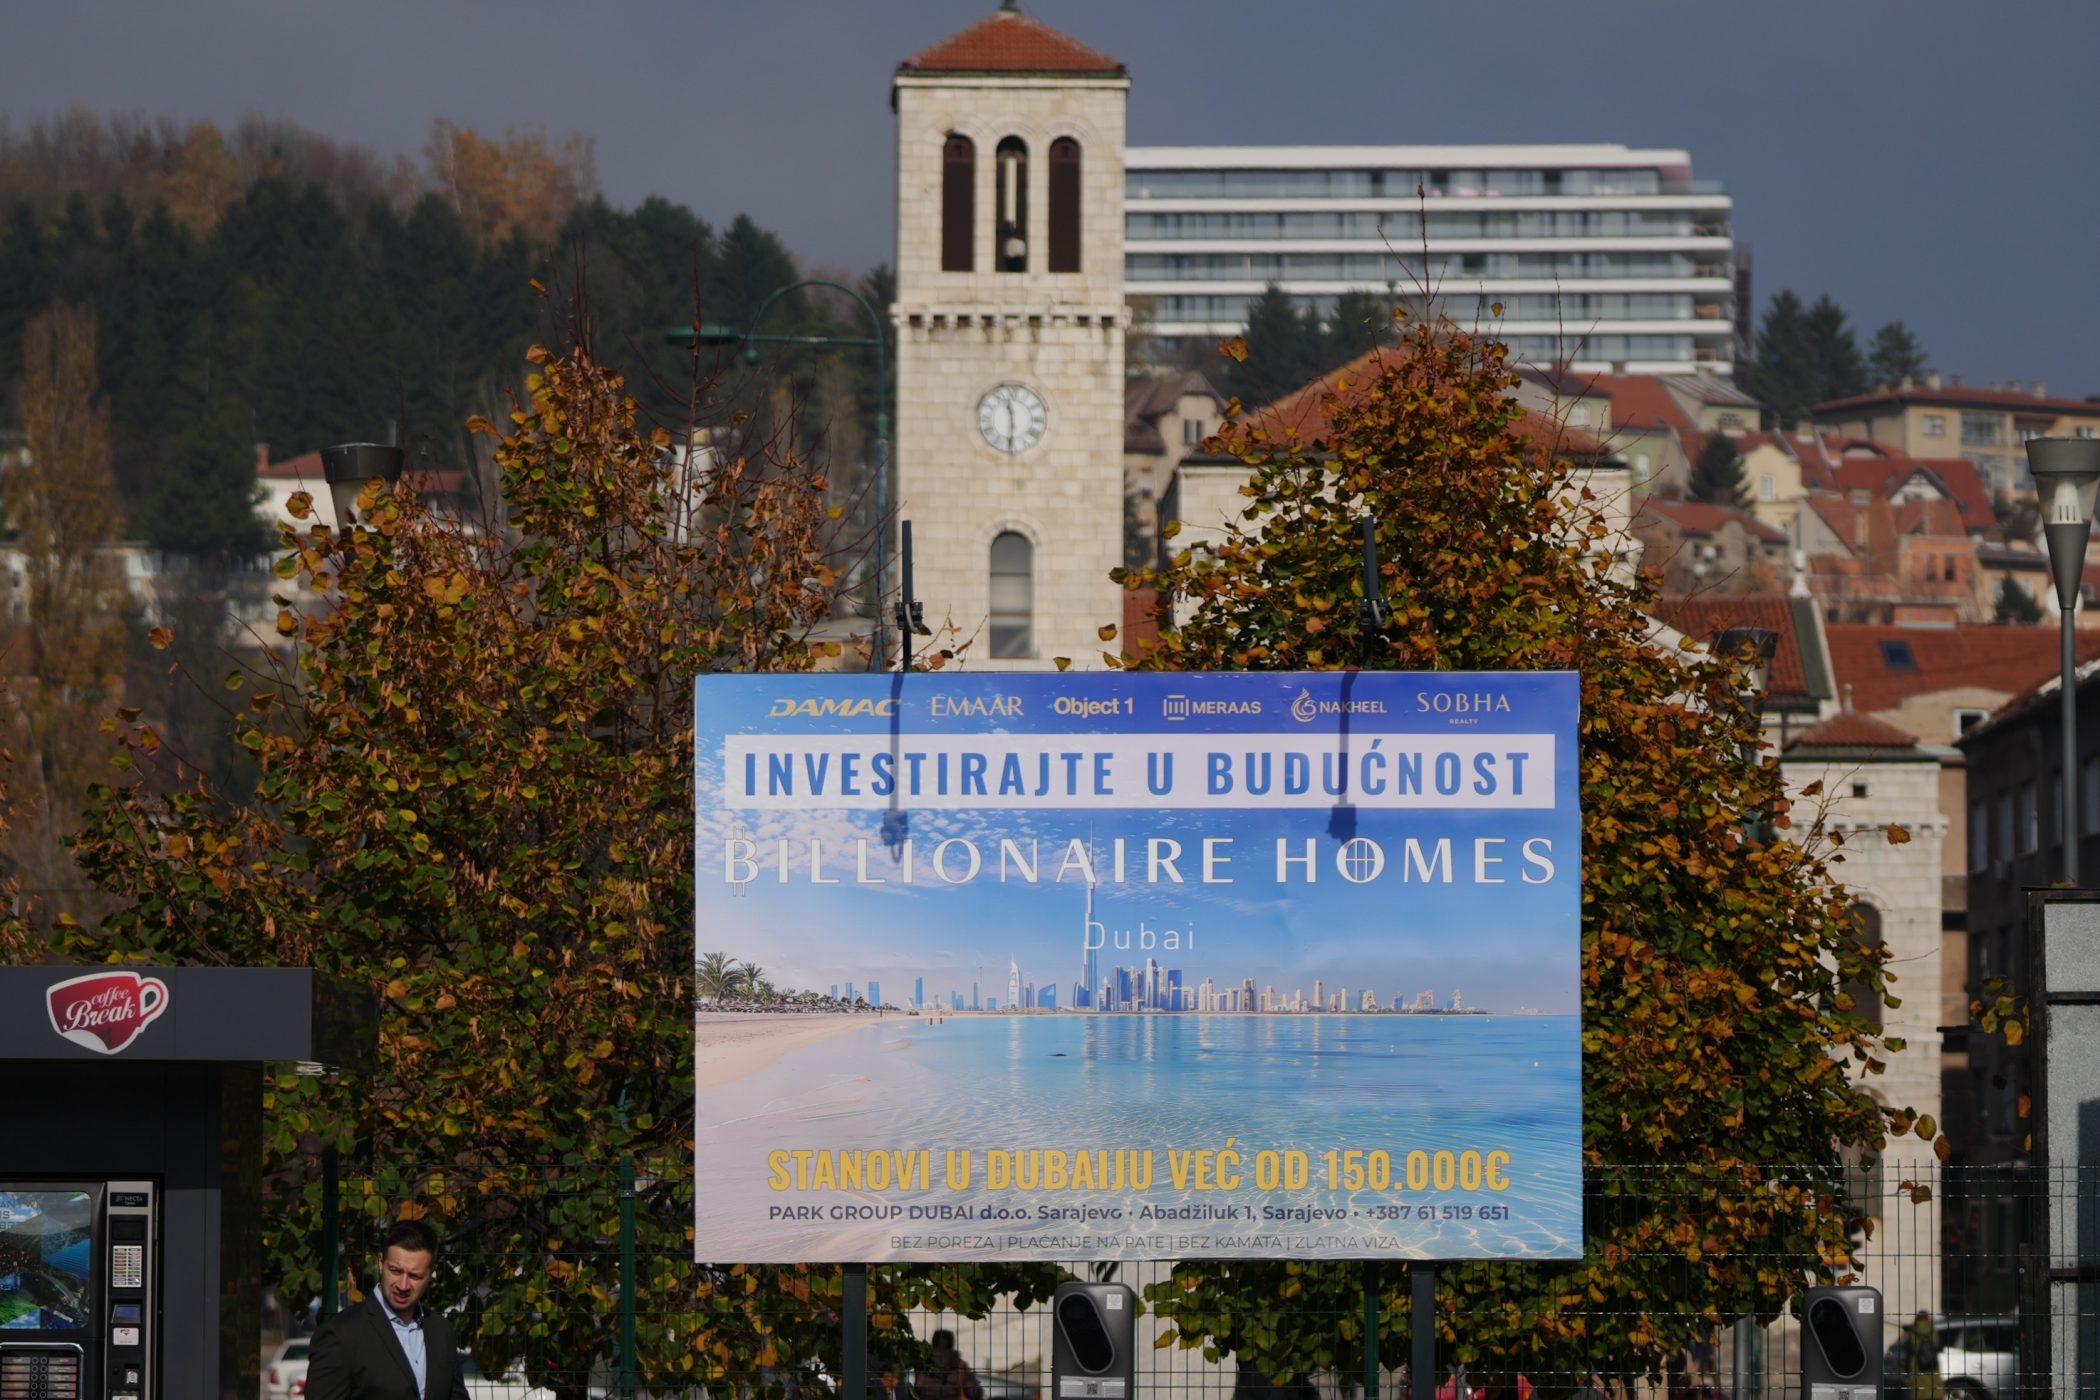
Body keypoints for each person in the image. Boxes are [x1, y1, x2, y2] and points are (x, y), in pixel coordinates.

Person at [306, 1218, 471, 1400]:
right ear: (381, 1262)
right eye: (395, 1271)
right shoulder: (341, 1333)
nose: (403, 1285)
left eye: (415, 1276)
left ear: (432, 1272)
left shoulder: (441, 1331)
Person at [915, 1329, 984, 1400]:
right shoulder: (923, 1366)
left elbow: (977, 1392)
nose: (941, 1353)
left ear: (950, 1350)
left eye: (945, 1349)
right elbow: (915, 1391)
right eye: (938, 1348)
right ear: (933, 1348)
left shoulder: (960, 1366)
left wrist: (971, 1388)